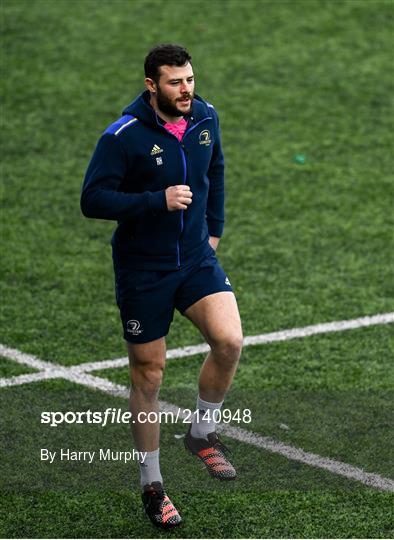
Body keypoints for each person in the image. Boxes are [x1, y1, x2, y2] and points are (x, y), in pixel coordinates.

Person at [81, 43, 243, 529]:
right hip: (143, 269)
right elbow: (92, 199)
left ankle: (201, 434)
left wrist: (213, 228)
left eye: (189, 79)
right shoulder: (123, 136)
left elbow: (215, 168)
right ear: (152, 85)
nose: (186, 89)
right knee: (149, 376)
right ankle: (152, 484)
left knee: (230, 340)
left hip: (194, 258)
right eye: (175, 82)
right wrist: (157, 200)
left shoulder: (205, 117)